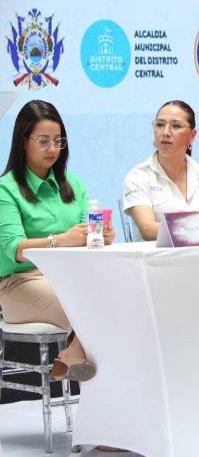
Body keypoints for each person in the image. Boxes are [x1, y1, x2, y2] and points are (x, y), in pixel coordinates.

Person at [0, 100, 116, 381]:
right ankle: (80, 361)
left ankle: (76, 358)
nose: (52, 148)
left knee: (117, 296)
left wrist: (100, 235)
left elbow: (85, 234)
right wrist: (62, 240)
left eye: (58, 141)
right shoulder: (6, 189)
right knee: (84, 304)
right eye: (43, 141)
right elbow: (15, 249)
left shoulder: (72, 183)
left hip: (70, 276)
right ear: (23, 141)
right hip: (20, 284)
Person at [123, 100, 199, 240]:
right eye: (160, 125)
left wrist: (190, 229)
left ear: (192, 135)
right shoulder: (138, 177)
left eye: (176, 126)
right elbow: (148, 229)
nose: (165, 132)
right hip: (159, 254)